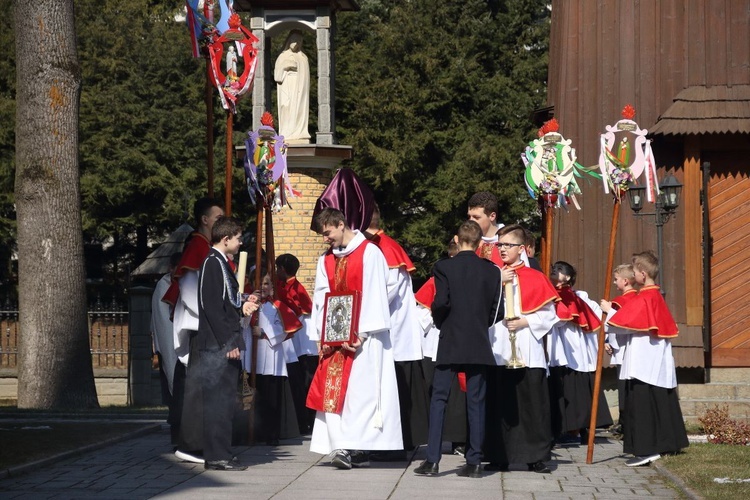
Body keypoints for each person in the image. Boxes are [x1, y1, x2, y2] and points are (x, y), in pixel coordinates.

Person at [306, 208, 402, 470]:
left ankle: (356, 446)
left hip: (364, 338)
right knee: (331, 391)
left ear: (340, 225)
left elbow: (375, 293)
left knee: (360, 394)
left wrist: (361, 332)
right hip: (335, 337)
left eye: (327, 233)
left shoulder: (369, 252)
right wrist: (320, 334)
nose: (325, 239)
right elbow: (320, 297)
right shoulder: (325, 259)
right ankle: (339, 446)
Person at [414, 220, 502, 478]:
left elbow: (440, 301)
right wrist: (479, 325)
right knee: (476, 401)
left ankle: (432, 461)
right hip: (477, 339)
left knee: (439, 399)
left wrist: (443, 323)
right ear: (478, 243)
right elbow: (498, 309)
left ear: (456, 238)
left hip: (451, 337)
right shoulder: (492, 270)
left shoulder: (443, 266)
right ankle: (474, 461)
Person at [484, 224, 559, 474]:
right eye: (500, 245)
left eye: (507, 245)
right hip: (500, 349)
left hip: (528, 348)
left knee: (531, 406)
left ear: (522, 249)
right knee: (500, 405)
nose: (502, 249)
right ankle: (498, 455)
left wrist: (526, 321)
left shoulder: (536, 278)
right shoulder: (493, 274)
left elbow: (549, 315)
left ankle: (535, 456)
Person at [607, 251, 689, 466]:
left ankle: (648, 448)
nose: (633, 276)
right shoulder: (656, 295)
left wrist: (609, 312)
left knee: (644, 401)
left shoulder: (645, 297)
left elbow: (621, 324)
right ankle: (667, 442)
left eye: (634, 272)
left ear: (643, 274)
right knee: (659, 399)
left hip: (644, 359)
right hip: (653, 357)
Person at [162, 197, 224, 464]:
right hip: (200, 326)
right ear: (205, 220)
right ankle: (190, 445)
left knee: (204, 387)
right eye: (218, 218)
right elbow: (189, 291)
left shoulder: (207, 246)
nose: (221, 222)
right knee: (198, 387)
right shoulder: (198, 247)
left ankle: (200, 443)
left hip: (206, 324)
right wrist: (213, 316)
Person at [196, 216, 259, 471]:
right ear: (226, 238)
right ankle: (215, 456)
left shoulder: (221, 263)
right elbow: (211, 307)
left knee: (226, 401)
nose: (241, 243)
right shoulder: (212, 263)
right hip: (217, 345)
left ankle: (223, 451)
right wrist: (228, 342)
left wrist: (243, 302)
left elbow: (226, 302)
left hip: (224, 342)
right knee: (217, 402)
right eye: (238, 238)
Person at [366, 204, 428, 459]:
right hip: (388, 330)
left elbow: (384, 291)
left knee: (397, 388)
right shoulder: (378, 245)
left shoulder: (385, 247)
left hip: (394, 333)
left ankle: (397, 444)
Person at [546, 261, 611, 445]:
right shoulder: (575, 297)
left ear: (565, 278)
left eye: (557, 272)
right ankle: (575, 429)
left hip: (569, 348)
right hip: (569, 348)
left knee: (572, 387)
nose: (553, 274)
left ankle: (573, 430)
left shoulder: (571, 296)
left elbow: (561, 317)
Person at [415, 239, 468, 453]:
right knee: (436, 391)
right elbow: (420, 312)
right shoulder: (434, 281)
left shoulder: (469, 279)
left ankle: (458, 440)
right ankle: (433, 438)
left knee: (458, 395)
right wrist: (435, 315)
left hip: (459, 342)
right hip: (435, 343)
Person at [252, 271, 303, 446]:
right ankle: (254, 432)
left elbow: (285, 329)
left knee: (272, 397)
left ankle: (272, 434)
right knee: (255, 397)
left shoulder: (277, 306)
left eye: (266, 284)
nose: (262, 287)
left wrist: (264, 334)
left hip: (271, 356)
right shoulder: (249, 305)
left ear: (272, 287)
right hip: (253, 357)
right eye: (259, 283)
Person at [276, 253, 318, 435]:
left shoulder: (292, 288)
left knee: (305, 381)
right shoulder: (288, 285)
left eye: (278, 268)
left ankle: (308, 420)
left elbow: (299, 310)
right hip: (299, 340)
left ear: (283, 270)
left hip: (303, 341)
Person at [600, 263, 638, 431]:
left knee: (625, 388)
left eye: (616, 280)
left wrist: (609, 310)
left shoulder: (623, 301)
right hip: (619, 348)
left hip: (626, 349)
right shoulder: (630, 299)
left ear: (625, 281)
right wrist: (608, 340)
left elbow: (623, 322)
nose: (615, 283)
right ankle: (625, 422)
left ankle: (626, 423)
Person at [150, 252, 181, 443]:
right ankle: (177, 431)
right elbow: (162, 321)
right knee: (174, 385)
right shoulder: (163, 287)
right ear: (171, 268)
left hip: (182, 340)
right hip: (170, 344)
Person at [274, 30, 310, 144]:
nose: (297, 43)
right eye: (295, 40)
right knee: (286, 106)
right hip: (287, 85)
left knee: (299, 109)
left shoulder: (303, 57)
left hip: (299, 88)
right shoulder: (283, 56)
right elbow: (277, 76)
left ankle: (299, 133)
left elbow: (306, 76)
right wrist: (286, 65)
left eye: (299, 41)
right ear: (289, 40)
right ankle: (286, 132)